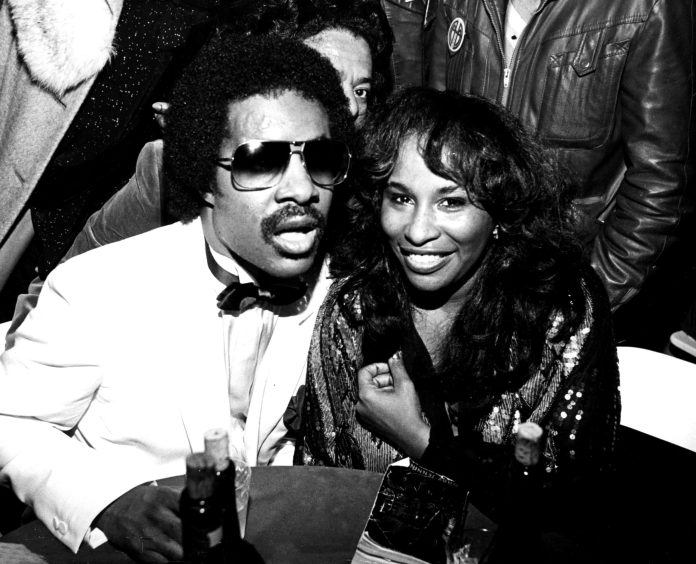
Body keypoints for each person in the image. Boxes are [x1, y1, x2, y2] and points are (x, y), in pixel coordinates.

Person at [0, 33, 353, 562]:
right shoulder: (98, 290)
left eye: (320, 158)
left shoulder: (347, 297)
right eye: (262, 162)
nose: (301, 190)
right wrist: (106, 503)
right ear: (203, 176)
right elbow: (10, 419)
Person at [298, 88, 620, 556]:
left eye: (451, 202)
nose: (418, 231)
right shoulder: (354, 310)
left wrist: (421, 442)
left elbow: (571, 504)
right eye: (401, 198)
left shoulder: (561, 310)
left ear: (501, 213)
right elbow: (320, 487)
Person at [422, 0, 696, 349]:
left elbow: (662, 183)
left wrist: (578, 305)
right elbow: (432, 145)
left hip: (563, 287)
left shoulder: (647, 6)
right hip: (461, 293)